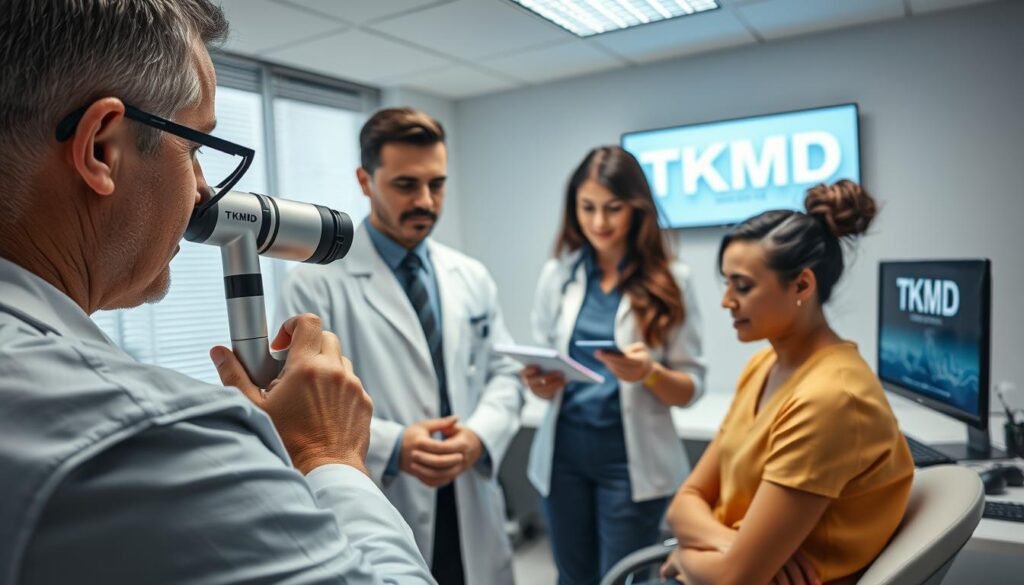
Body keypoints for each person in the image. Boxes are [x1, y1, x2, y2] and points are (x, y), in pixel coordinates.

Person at [0, 2, 432, 583]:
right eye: (195, 148)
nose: (204, 193)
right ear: (103, 147)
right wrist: (327, 455)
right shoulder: (146, 438)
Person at [276, 108, 521, 585]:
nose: (426, 201)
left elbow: (504, 373)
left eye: (437, 184)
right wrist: (395, 445)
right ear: (365, 181)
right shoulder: (314, 284)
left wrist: (479, 435)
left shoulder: (469, 275)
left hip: (469, 487)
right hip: (384, 489)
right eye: (406, 185)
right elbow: (300, 401)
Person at [660, 180, 915, 585]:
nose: (727, 300)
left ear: (801, 286)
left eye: (741, 286)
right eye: (726, 283)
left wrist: (685, 556)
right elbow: (682, 505)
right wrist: (730, 545)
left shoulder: (831, 399)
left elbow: (736, 580)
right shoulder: (763, 365)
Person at [522, 146, 706, 585]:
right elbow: (547, 363)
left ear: (637, 209)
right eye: (587, 208)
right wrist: (540, 383)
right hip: (564, 454)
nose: (599, 222)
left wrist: (650, 374)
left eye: (613, 208)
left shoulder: (671, 280)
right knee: (572, 576)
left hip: (629, 463)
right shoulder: (558, 275)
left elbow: (691, 385)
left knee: (620, 577)